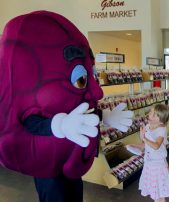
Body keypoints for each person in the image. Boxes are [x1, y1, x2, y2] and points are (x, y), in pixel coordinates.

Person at [0, 11, 133, 202]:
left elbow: (82, 111)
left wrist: (106, 116)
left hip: (71, 161)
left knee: (74, 193)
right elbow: (31, 124)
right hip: (48, 165)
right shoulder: (34, 97)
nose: (98, 92)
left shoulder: (68, 97)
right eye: (81, 78)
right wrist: (59, 125)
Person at [138, 104, 169, 202]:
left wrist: (144, 138)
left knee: (160, 193)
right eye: (151, 112)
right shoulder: (147, 126)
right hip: (149, 163)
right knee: (154, 191)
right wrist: (133, 147)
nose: (150, 114)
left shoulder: (161, 130)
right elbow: (144, 145)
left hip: (158, 165)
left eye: (154, 114)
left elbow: (156, 145)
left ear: (161, 120)